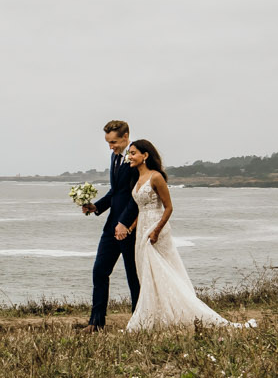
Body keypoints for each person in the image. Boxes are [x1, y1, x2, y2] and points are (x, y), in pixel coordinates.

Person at [122, 139, 253, 333]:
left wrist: (156, 230)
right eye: (129, 153)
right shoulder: (136, 178)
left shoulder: (156, 177)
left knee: (158, 270)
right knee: (146, 272)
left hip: (156, 228)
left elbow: (168, 207)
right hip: (142, 227)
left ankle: (177, 311)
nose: (129, 157)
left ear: (145, 155)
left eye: (133, 153)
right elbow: (141, 209)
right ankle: (157, 315)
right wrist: (132, 226)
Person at [78, 119, 140, 331]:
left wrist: (124, 223)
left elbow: (135, 196)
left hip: (129, 228)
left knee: (134, 276)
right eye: (108, 143)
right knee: (99, 271)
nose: (110, 147)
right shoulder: (114, 158)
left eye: (113, 142)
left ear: (125, 136)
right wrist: (96, 207)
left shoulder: (135, 158)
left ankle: (137, 322)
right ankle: (96, 322)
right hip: (110, 225)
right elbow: (116, 192)